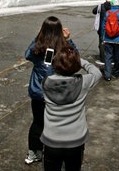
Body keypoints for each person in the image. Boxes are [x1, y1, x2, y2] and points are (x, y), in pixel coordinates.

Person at [24, 16, 77, 164]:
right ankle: (55, 154)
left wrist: (38, 37)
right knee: (57, 124)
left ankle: (34, 153)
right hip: (57, 93)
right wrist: (68, 40)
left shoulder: (37, 48)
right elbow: (75, 59)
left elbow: (27, 55)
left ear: (43, 30)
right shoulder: (63, 48)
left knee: (38, 123)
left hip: (39, 93)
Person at [41, 45, 102, 171]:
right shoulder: (83, 82)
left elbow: (48, 70)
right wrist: (81, 61)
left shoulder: (46, 82)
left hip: (51, 139)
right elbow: (97, 72)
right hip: (75, 139)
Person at [100, 0, 119, 81]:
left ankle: (107, 74)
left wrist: (102, 38)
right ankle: (116, 72)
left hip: (108, 38)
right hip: (118, 39)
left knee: (108, 56)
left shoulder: (107, 13)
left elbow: (103, 26)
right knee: (117, 56)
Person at [91, 0, 113, 65]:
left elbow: (94, 11)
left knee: (102, 43)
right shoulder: (114, 7)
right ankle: (111, 58)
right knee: (111, 43)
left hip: (102, 28)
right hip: (111, 28)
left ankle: (103, 59)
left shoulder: (101, 6)